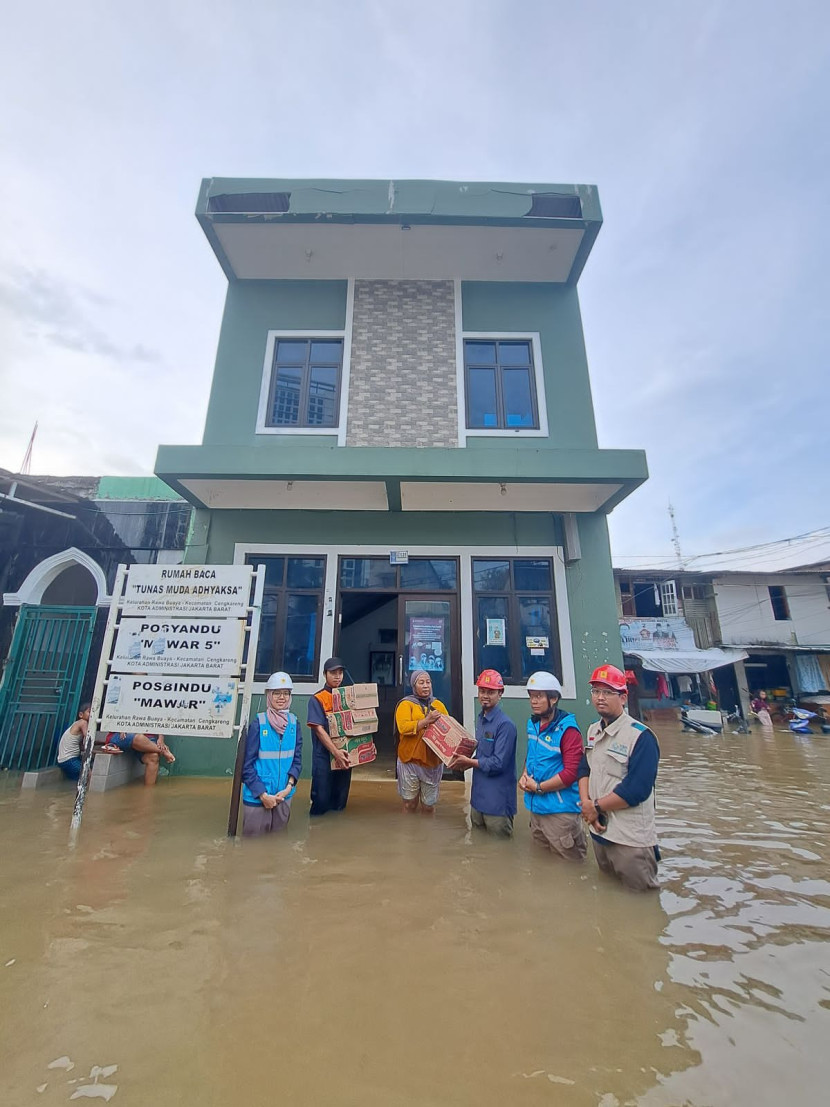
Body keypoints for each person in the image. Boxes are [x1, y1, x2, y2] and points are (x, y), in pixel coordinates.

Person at [577, 664, 661, 892]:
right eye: (595, 691)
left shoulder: (640, 736)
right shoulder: (593, 731)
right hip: (599, 833)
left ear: (623, 697)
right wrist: (586, 804)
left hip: (630, 841)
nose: (600, 698)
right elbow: (584, 768)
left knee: (641, 906)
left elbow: (637, 790)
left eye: (607, 692)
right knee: (609, 896)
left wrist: (594, 806)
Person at [518, 671, 587, 861]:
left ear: (554, 698)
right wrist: (524, 775)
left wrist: (539, 787)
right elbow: (531, 755)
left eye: (539, 696)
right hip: (537, 811)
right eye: (532, 696)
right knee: (541, 866)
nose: (534, 701)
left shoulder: (568, 730)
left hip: (561, 815)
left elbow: (571, 773)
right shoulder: (533, 724)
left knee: (569, 869)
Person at [450, 669, 517, 837]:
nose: (485, 695)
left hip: (497, 804)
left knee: (499, 851)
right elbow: (481, 755)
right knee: (479, 847)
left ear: (500, 693)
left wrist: (469, 762)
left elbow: (498, 763)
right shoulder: (481, 719)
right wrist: (464, 762)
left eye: (490, 692)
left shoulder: (506, 725)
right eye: (482, 691)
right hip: (478, 800)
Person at [241, 671, 302, 837]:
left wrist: (288, 788)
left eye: (286, 693)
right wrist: (263, 795)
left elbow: (297, 761)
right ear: (269, 695)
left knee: (278, 842)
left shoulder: (294, 723)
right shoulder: (258, 724)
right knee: (253, 847)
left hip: (283, 795)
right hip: (258, 797)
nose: (281, 697)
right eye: (276, 693)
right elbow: (246, 766)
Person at [395, 669, 449, 814]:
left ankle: (427, 836)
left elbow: (449, 730)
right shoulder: (406, 704)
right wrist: (426, 721)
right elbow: (403, 727)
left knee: (429, 807)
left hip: (432, 763)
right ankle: (407, 834)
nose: (426, 686)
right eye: (421, 682)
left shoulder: (438, 705)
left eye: (428, 682)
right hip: (409, 761)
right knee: (409, 804)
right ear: (414, 685)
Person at [307, 657, 352, 817]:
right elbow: (318, 729)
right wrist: (336, 752)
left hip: (345, 756)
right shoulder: (317, 698)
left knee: (340, 801)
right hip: (324, 757)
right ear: (324, 674)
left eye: (340, 673)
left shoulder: (348, 697)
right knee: (321, 800)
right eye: (333, 673)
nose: (337, 676)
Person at [105, 730, 175, 785]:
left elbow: (160, 720)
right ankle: (163, 751)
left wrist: (161, 738)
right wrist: (122, 728)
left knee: (153, 757)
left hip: (147, 736)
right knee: (138, 738)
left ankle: (148, 793)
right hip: (122, 734)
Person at [56, 703, 92, 780]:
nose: (92, 714)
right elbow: (88, 738)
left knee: (75, 781)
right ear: (81, 714)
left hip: (63, 761)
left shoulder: (76, 724)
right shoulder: (83, 722)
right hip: (70, 760)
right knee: (88, 773)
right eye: (89, 712)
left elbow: (81, 746)